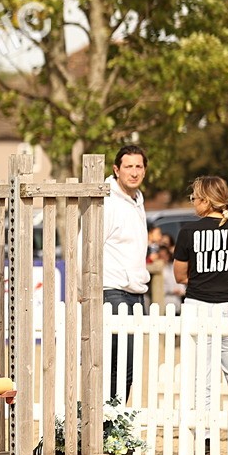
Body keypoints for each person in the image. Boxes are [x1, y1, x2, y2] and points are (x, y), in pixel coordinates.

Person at [173, 176, 228, 422]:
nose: (193, 202)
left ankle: (205, 438)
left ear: (205, 201)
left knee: (200, 376)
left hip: (199, 305)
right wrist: (224, 281)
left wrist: (203, 279)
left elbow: (179, 275)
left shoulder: (188, 231)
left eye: (194, 198)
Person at [103, 145, 149, 401]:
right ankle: (105, 425)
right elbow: (86, 244)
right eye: (128, 166)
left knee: (128, 367)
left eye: (138, 166)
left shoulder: (136, 201)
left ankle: (113, 422)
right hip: (113, 291)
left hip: (135, 293)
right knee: (116, 364)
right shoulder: (108, 203)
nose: (134, 172)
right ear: (116, 169)